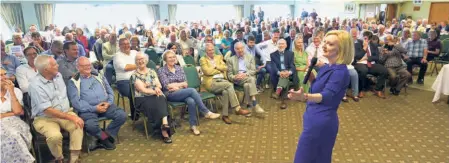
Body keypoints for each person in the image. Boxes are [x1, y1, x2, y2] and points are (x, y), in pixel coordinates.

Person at [288, 30, 353, 163]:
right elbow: (319, 87)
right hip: (313, 117)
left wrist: (304, 96)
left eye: (330, 44)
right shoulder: (326, 67)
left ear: (341, 49)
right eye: (325, 42)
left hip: (322, 122)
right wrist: (312, 79)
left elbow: (327, 95)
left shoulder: (340, 72)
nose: (324, 46)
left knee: (304, 159)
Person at [28, 55, 84, 163]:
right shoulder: (35, 85)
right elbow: (47, 110)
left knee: (78, 125)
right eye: (54, 64)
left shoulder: (58, 75)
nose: (58, 65)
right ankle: (59, 158)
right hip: (45, 117)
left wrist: (72, 116)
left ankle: (74, 158)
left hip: (65, 112)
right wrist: (71, 117)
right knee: (54, 136)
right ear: (46, 69)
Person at [67, 57, 126, 150]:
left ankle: (105, 136)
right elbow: (76, 102)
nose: (88, 67)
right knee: (90, 126)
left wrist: (109, 103)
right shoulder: (73, 82)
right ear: (78, 67)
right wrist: (94, 108)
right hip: (88, 110)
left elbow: (110, 91)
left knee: (121, 115)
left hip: (106, 105)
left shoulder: (99, 76)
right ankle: (104, 138)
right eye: (84, 66)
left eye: (89, 65)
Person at [158, 50, 220, 135]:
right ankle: (206, 112)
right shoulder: (161, 70)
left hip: (182, 91)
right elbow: (167, 86)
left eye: (173, 57)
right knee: (192, 90)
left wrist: (176, 86)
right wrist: (179, 85)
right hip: (170, 94)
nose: (172, 59)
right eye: (170, 57)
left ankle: (193, 126)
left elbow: (186, 83)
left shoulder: (179, 68)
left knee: (191, 101)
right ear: (165, 59)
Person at [200, 43, 250, 124]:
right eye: (209, 50)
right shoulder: (203, 59)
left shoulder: (219, 57)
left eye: (212, 49)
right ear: (206, 51)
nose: (212, 51)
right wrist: (219, 69)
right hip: (211, 82)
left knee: (226, 92)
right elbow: (207, 71)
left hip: (222, 80)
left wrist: (216, 67)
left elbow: (225, 67)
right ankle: (237, 108)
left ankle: (225, 115)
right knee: (229, 85)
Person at [132, 53, 173, 143]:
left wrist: (156, 88)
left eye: (142, 58)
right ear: (136, 62)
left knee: (161, 98)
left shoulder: (152, 71)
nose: (141, 61)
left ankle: (164, 126)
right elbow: (143, 90)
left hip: (154, 95)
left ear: (146, 60)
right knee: (160, 100)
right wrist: (154, 90)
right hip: (142, 98)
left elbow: (159, 84)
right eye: (138, 59)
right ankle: (165, 129)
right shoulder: (134, 75)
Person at [0, 67, 35, 163]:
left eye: (4, 74)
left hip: (14, 121)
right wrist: (9, 113)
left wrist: (11, 92)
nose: (4, 77)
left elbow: (18, 111)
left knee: (13, 135)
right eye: (0, 75)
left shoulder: (16, 91)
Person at [227, 42, 265, 113]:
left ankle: (249, 105)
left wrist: (245, 74)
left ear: (244, 48)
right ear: (235, 49)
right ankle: (255, 102)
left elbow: (253, 70)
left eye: (241, 48)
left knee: (247, 85)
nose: (240, 50)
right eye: (238, 49)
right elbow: (229, 75)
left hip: (247, 77)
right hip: (238, 80)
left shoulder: (250, 57)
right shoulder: (230, 60)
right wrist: (235, 77)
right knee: (252, 79)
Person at [269, 39, 299, 109]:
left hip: (288, 71)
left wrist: (289, 72)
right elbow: (273, 66)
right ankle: (283, 101)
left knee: (285, 77)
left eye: (283, 44)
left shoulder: (290, 53)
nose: (281, 45)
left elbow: (292, 65)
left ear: (286, 45)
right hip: (279, 72)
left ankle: (277, 92)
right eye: (279, 44)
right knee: (284, 78)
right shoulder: (272, 55)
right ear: (277, 45)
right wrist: (279, 73)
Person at [113, 38, 138, 119]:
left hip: (138, 78)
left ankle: (143, 110)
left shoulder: (135, 52)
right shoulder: (117, 56)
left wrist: (139, 64)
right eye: (123, 44)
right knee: (134, 91)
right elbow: (125, 67)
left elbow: (144, 60)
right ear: (119, 46)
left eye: (127, 43)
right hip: (124, 82)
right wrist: (139, 65)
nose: (126, 46)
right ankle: (135, 113)